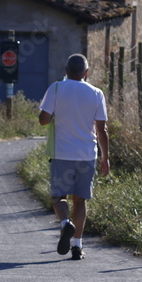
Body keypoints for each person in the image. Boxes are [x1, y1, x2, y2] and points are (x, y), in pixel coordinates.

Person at [39, 53, 109, 260]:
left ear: (66, 71)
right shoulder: (97, 93)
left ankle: (64, 224)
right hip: (87, 155)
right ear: (86, 73)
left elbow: (43, 120)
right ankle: (77, 247)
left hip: (61, 154)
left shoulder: (56, 88)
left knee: (58, 197)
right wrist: (105, 157)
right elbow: (102, 130)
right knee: (80, 201)